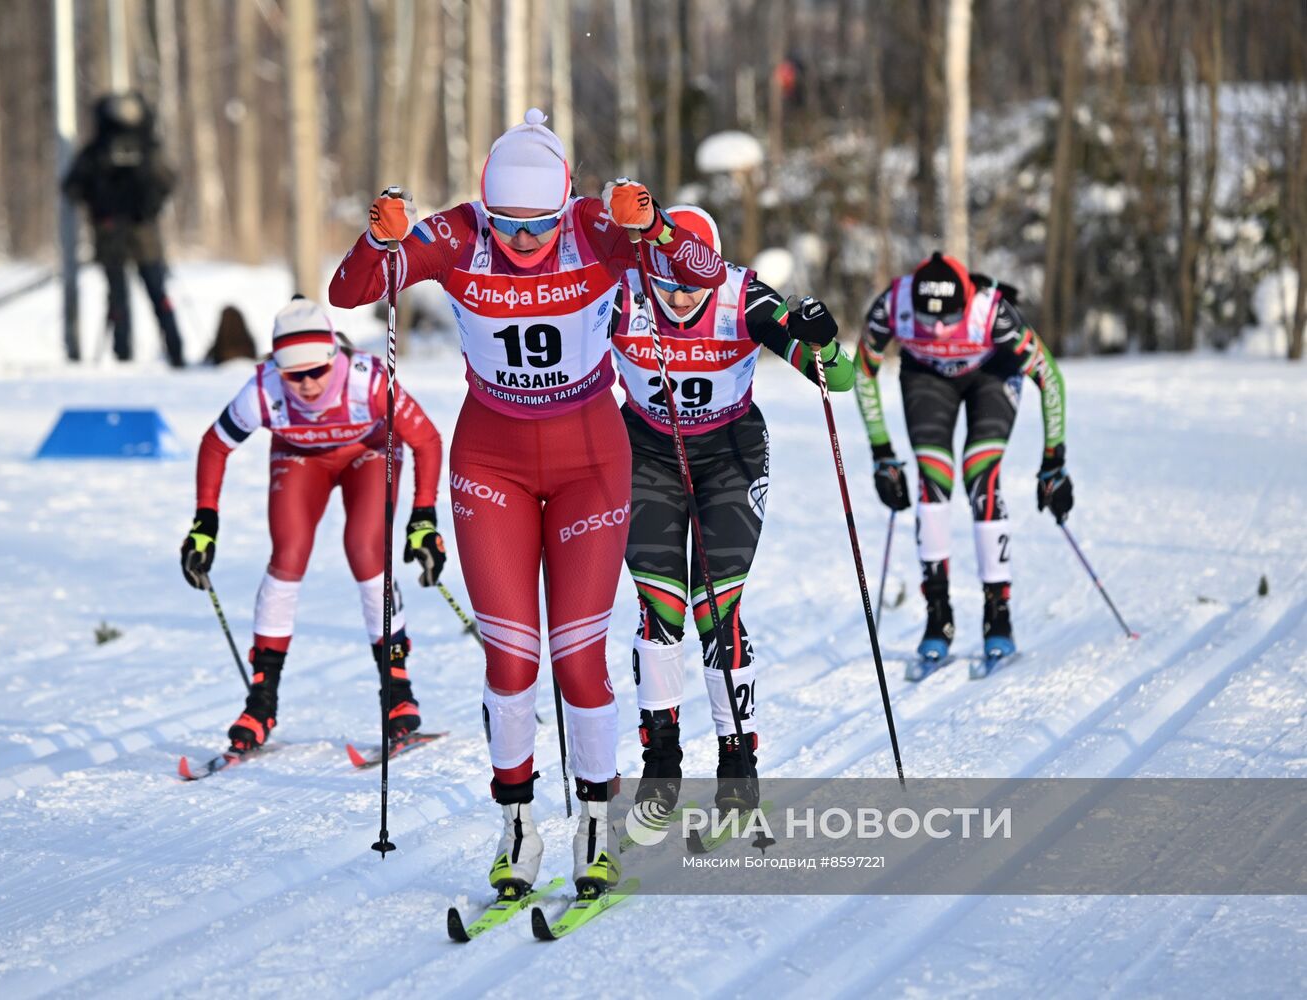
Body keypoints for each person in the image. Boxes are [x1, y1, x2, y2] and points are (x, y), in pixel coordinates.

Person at [328, 109, 725, 900]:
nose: (522, 239)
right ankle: (516, 825)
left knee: (578, 657)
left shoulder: (593, 226)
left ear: (564, 204)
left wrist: (648, 225)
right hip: (492, 460)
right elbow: (349, 294)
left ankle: (592, 825)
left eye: (538, 223)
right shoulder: (457, 234)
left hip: (589, 459)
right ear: (485, 205)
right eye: (508, 223)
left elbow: (703, 272)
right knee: (510, 659)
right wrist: (380, 242)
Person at [612, 205, 854, 813]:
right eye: (668, 283)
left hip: (730, 455)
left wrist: (826, 339)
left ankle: (737, 761)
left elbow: (840, 379)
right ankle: (661, 762)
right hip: (645, 453)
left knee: (715, 606)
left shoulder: (742, 297)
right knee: (660, 605)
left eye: (694, 284)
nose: (682, 297)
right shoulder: (622, 294)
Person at [178, 297, 445, 753]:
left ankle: (398, 695)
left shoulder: (368, 380)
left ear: (333, 357)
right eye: (292, 375)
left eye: (315, 372)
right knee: (288, 554)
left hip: (370, 452)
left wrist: (423, 517)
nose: (305, 385)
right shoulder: (264, 389)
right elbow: (214, 444)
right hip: (300, 458)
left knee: (365, 548)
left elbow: (427, 440)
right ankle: (261, 703)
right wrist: (205, 521)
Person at [853, 252, 1073, 665]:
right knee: (932, 479)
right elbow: (862, 370)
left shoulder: (992, 312)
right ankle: (939, 615)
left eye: (948, 319)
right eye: (927, 319)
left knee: (981, 474)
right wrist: (882, 453)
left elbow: (1050, 377)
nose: (937, 328)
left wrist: (1053, 462)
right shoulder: (893, 304)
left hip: (991, 374)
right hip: (927, 376)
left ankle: (997, 614)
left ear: (966, 303)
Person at [61, 92, 185, 367]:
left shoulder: (105, 149)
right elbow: (168, 180)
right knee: (146, 294)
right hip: (133, 236)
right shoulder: (141, 148)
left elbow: (72, 186)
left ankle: (131, 354)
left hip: (120, 235)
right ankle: (171, 353)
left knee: (134, 295)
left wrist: (105, 206)